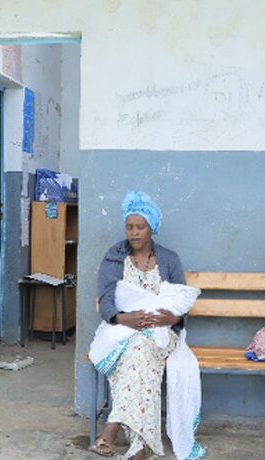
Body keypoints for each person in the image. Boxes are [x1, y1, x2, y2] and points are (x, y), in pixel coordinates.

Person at [86, 190, 204, 460]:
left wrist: (170, 318)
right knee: (139, 359)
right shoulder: (115, 257)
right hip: (122, 330)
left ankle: (111, 430)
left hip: (162, 332)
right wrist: (124, 318)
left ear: (152, 228)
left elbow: (181, 302)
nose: (134, 233)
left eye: (140, 227)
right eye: (129, 227)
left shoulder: (169, 259)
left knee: (140, 352)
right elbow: (106, 301)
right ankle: (139, 450)